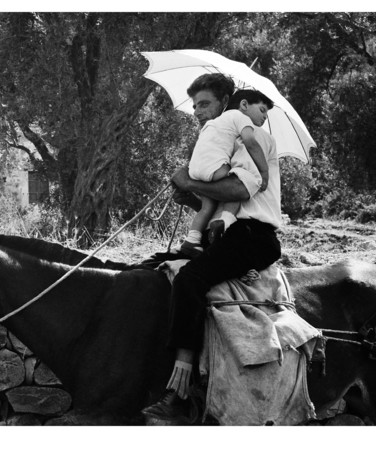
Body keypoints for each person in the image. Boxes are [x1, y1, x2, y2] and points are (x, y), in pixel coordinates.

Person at [142, 74, 282, 420]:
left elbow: (239, 192)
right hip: (229, 232)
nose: (198, 112)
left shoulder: (255, 138)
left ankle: (180, 389)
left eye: (204, 104)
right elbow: (218, 206)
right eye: (195, 106)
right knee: (154, 270)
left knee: (191, 280)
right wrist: (190, 197)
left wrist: (188, 179)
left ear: (226, 103)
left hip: (253, 235)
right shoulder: (222, 142)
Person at [180, 88, 273, 258]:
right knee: (241, 181)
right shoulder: (242, 118)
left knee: (207, 206)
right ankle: (226, 220)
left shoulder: (213, 123)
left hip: (195, 168)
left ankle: (191, 240)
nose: (265, 117)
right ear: (244, 104)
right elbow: (250, 142)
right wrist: (264, 170)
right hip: (216, 167)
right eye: (262, 110)